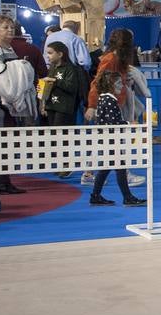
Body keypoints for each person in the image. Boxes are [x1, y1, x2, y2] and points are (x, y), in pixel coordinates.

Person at [87, 71, 146, 208]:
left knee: (106, 168)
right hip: (112, 140)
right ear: (110, 85)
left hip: (106, 140)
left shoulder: (103, 98)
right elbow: (114, 123)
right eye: (118, 83)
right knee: (119, 168)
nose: (121, 86)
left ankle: (96, 195)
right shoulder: (110, 100)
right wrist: (128, 124)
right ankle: (127, 197)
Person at [41, 42, 85, 128]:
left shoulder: (70, 69)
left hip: (64, 108)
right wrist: (44, 104)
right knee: (53, 135)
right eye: (47, 53)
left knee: (61, 135)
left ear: (60, 54)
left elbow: (71, 87)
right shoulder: (52, 68)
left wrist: (55, 81)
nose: (47, 56)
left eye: (50, 53)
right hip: (51, 106)